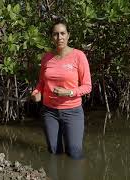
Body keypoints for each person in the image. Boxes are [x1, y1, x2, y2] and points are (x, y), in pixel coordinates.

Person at [31, 20, 92, 160]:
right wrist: (36, 93)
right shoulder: (47, 57)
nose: (60, 37)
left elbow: (87, 86)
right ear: (51, 37)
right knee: (54, 152)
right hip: (49, 112)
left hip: (72, 112)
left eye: (62, 33)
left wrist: (69, 92)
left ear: (68, 35)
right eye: (55, 34)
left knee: (75, 153)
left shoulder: (79, 56)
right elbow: (41, 82)